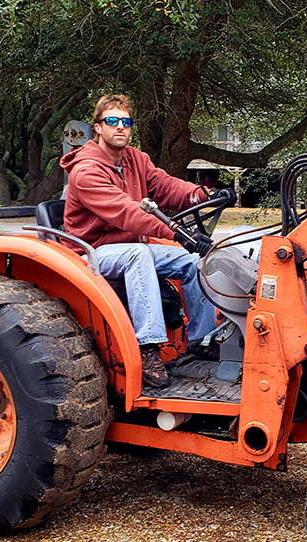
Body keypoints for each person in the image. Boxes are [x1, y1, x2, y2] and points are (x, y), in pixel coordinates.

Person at [59, 94, 232, 388]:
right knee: (138, 255)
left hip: (130, 245)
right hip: (92, 253)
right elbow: (126, 213)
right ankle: (148, 348)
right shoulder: (86, 170)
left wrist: (203, 194)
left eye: (126, 122)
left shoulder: (135, 159)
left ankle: (200, 341)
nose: (120, 127)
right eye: (112, 121)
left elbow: (166, 187)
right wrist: (174, 231)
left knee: (195, 260)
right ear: (97, 127)